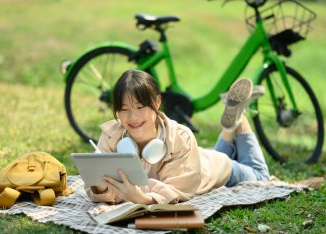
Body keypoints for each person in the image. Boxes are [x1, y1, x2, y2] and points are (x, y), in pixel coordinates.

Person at [85, 70, 269, 205]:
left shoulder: (180, 137)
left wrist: (142, 198)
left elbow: (178, 191)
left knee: (261, 176)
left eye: (140, 107)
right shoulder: (111, 136)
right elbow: (105, 192)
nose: (132, 118)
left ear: (157, 103)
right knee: (217, 151)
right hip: (197, 156)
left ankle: (240, 118)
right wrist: (100, 186)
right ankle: (229, 128)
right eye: (124, 110)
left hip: (214, 169)